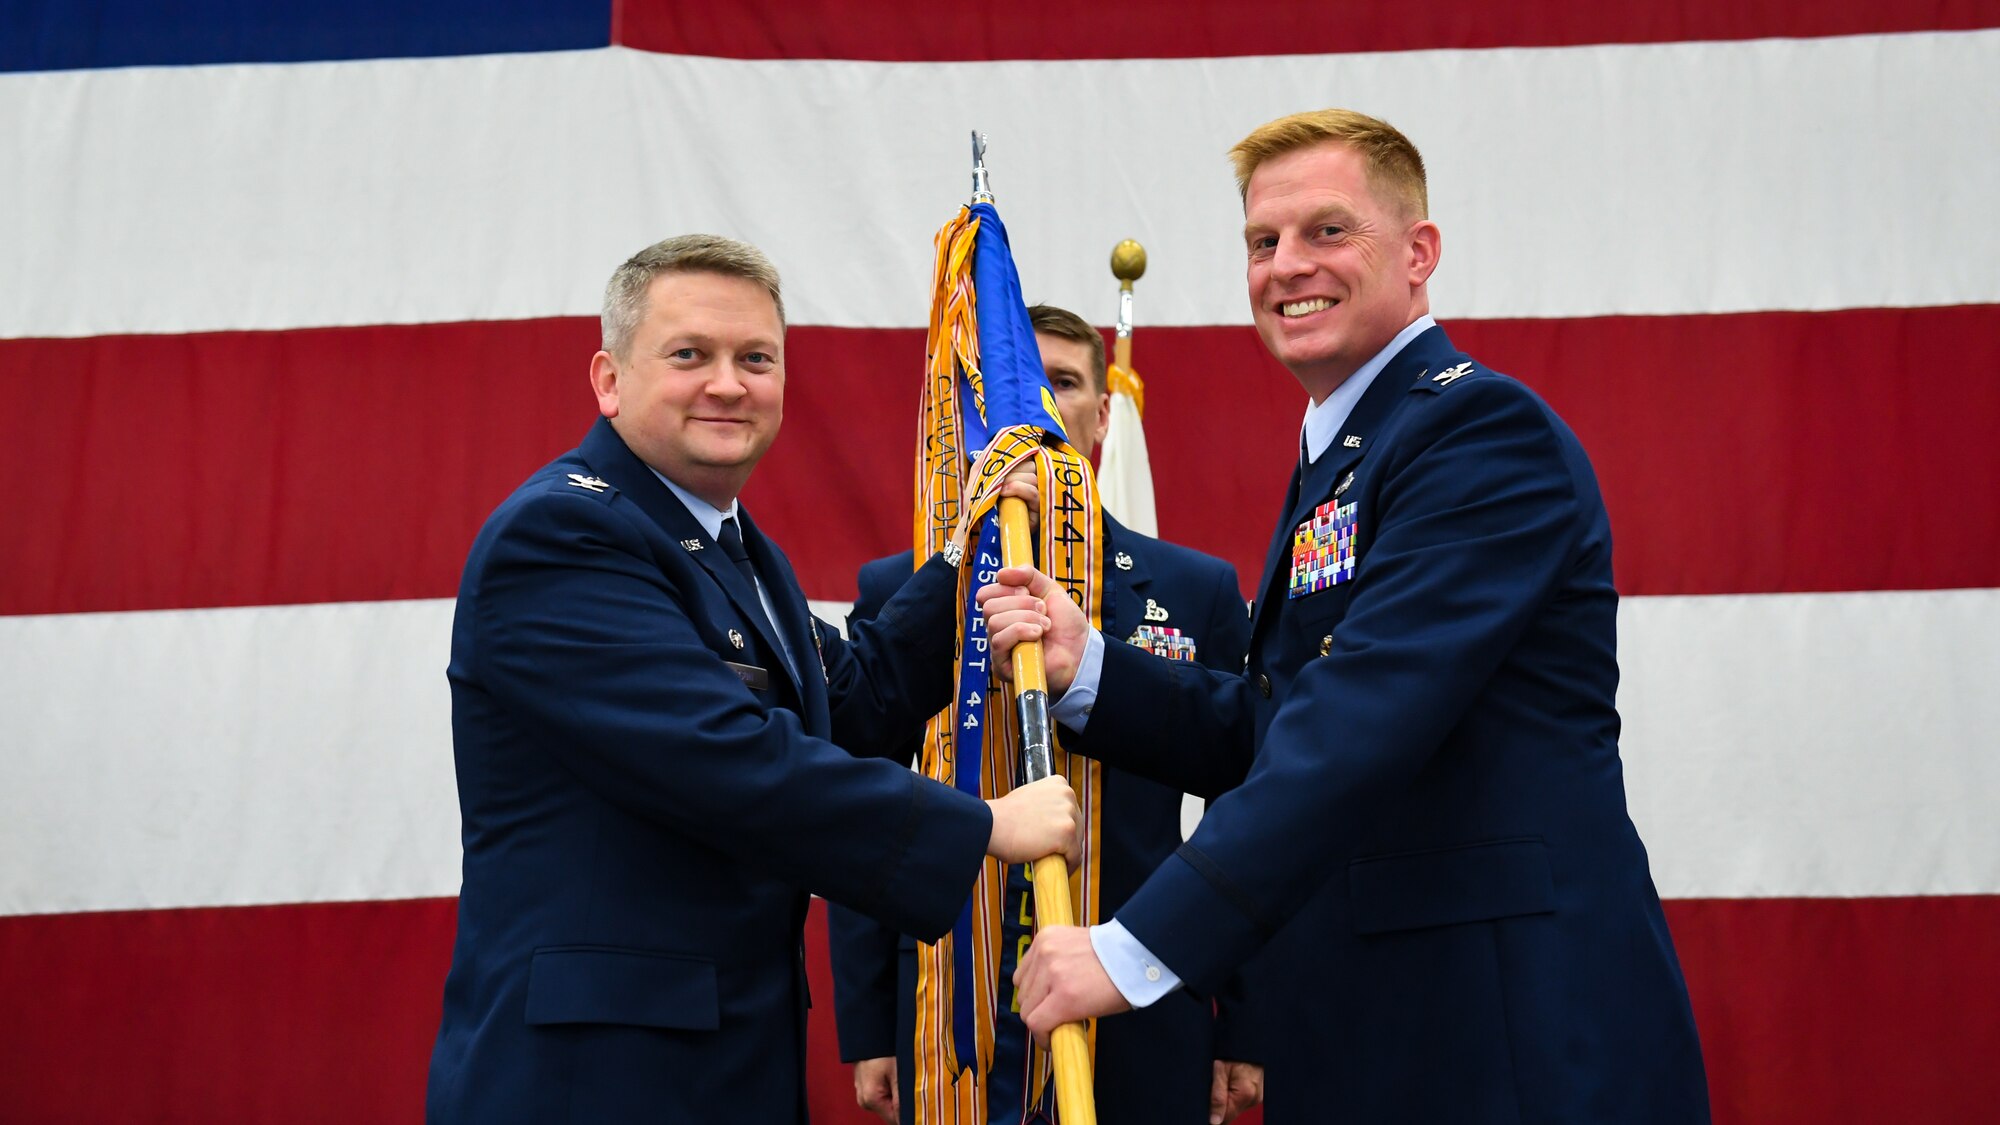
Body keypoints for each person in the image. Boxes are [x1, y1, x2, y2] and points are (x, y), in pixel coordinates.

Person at [982, 110, 1711, 1122]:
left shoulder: (1475, 433)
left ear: (1418, 254)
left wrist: (1133, 948)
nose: (1286, 265)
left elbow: (1356, 725)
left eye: (1327, 231)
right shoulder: (1351, 445)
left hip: (1504, 1035)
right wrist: (1092, 668)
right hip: (1381, 1030)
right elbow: (1280, 718)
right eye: (1261, 241)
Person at [426, 235, 1081, 1124]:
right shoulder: (559, 538)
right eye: (690, 354)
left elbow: (858, 699)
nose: (728, 383)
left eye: (755, 358)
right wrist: (982, 828)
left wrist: (972, 552)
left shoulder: (731, 546)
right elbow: (721, 756)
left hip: (718, 1062)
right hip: (594, 1078)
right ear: (609, 380)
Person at [827, 305, 1265, 1124]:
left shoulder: (1192, 588)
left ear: (1103, 414)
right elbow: (863, 802)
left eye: (1060, 383)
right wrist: (867, 1020)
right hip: (948, 1000)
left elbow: (1248, 810)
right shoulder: (901, 591)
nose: (1035, 409)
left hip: (1141, 997)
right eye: (1008, 389)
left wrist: (1242, 1018)